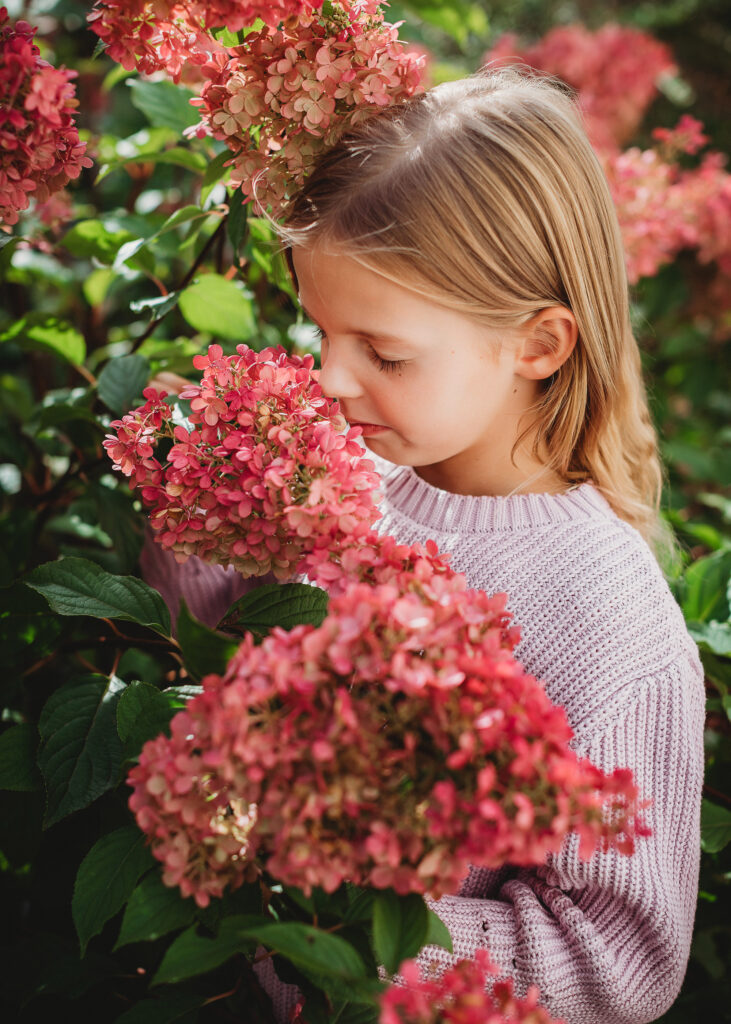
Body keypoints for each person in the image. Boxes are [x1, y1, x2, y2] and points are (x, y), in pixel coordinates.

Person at [262, 67, 704, 1024]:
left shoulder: (601, 610)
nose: (326, 376)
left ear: (536, 345)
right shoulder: (345, 482)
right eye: (319, 329)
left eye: (383, 354)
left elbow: (617, 959)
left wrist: (342, 932)